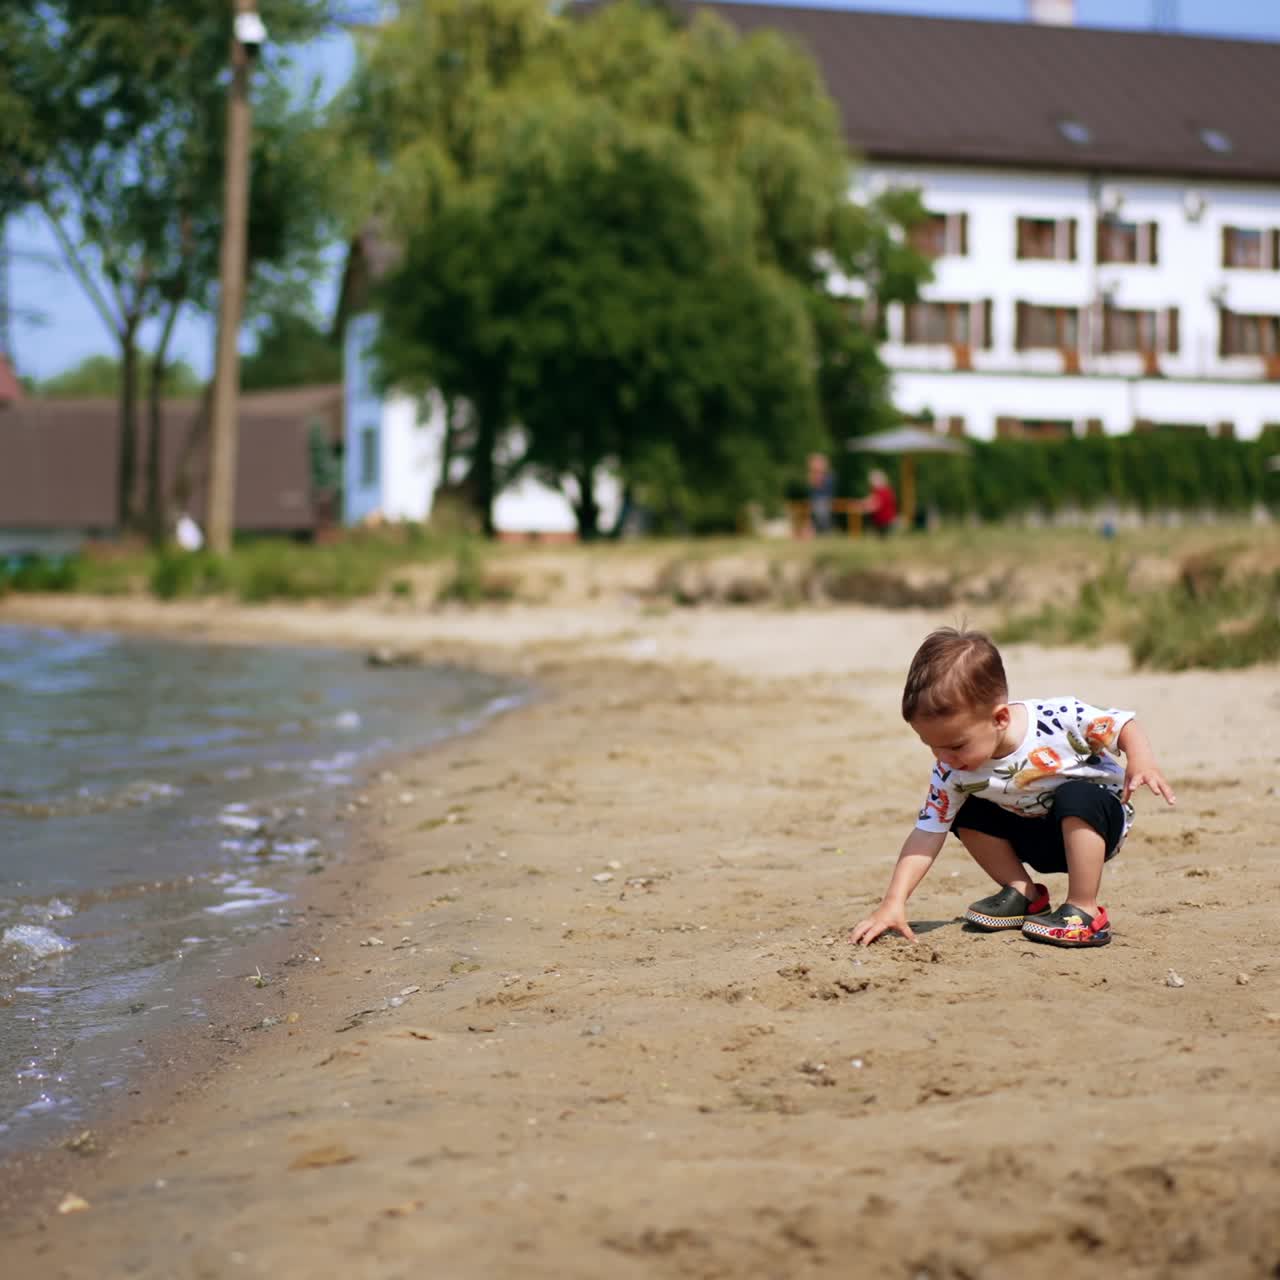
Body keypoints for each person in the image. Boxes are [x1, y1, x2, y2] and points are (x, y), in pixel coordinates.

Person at [850, 627, 1175, 949]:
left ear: (1000, 718)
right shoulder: (951, 770)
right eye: (931, 746)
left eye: (956, 745)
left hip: (1095, 827)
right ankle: (1024, 894)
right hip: (1030, 833)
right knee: (964, 810)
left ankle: (1084, 911)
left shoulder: (1058, 718)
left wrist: (1141, 760)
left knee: (1076, 795)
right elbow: (927, 833)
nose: (944, 758)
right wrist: (893, 901)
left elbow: (1121, 724)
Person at [855, 468, 897, 536]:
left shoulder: (884, 491)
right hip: (880, 521)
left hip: (885, 522)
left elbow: (876, 506)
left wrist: (863, 509)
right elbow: (870, 500)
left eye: (873, 480)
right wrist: (860, 504)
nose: (871, 483)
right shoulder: (879, 490)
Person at [806, 452, 835, 536]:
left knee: (821, 512)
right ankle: (816, 531)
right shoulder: (814, 476)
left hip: (824, 502)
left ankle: (822, 531)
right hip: (816, 502)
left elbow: (825, 491)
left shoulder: (829, 477)